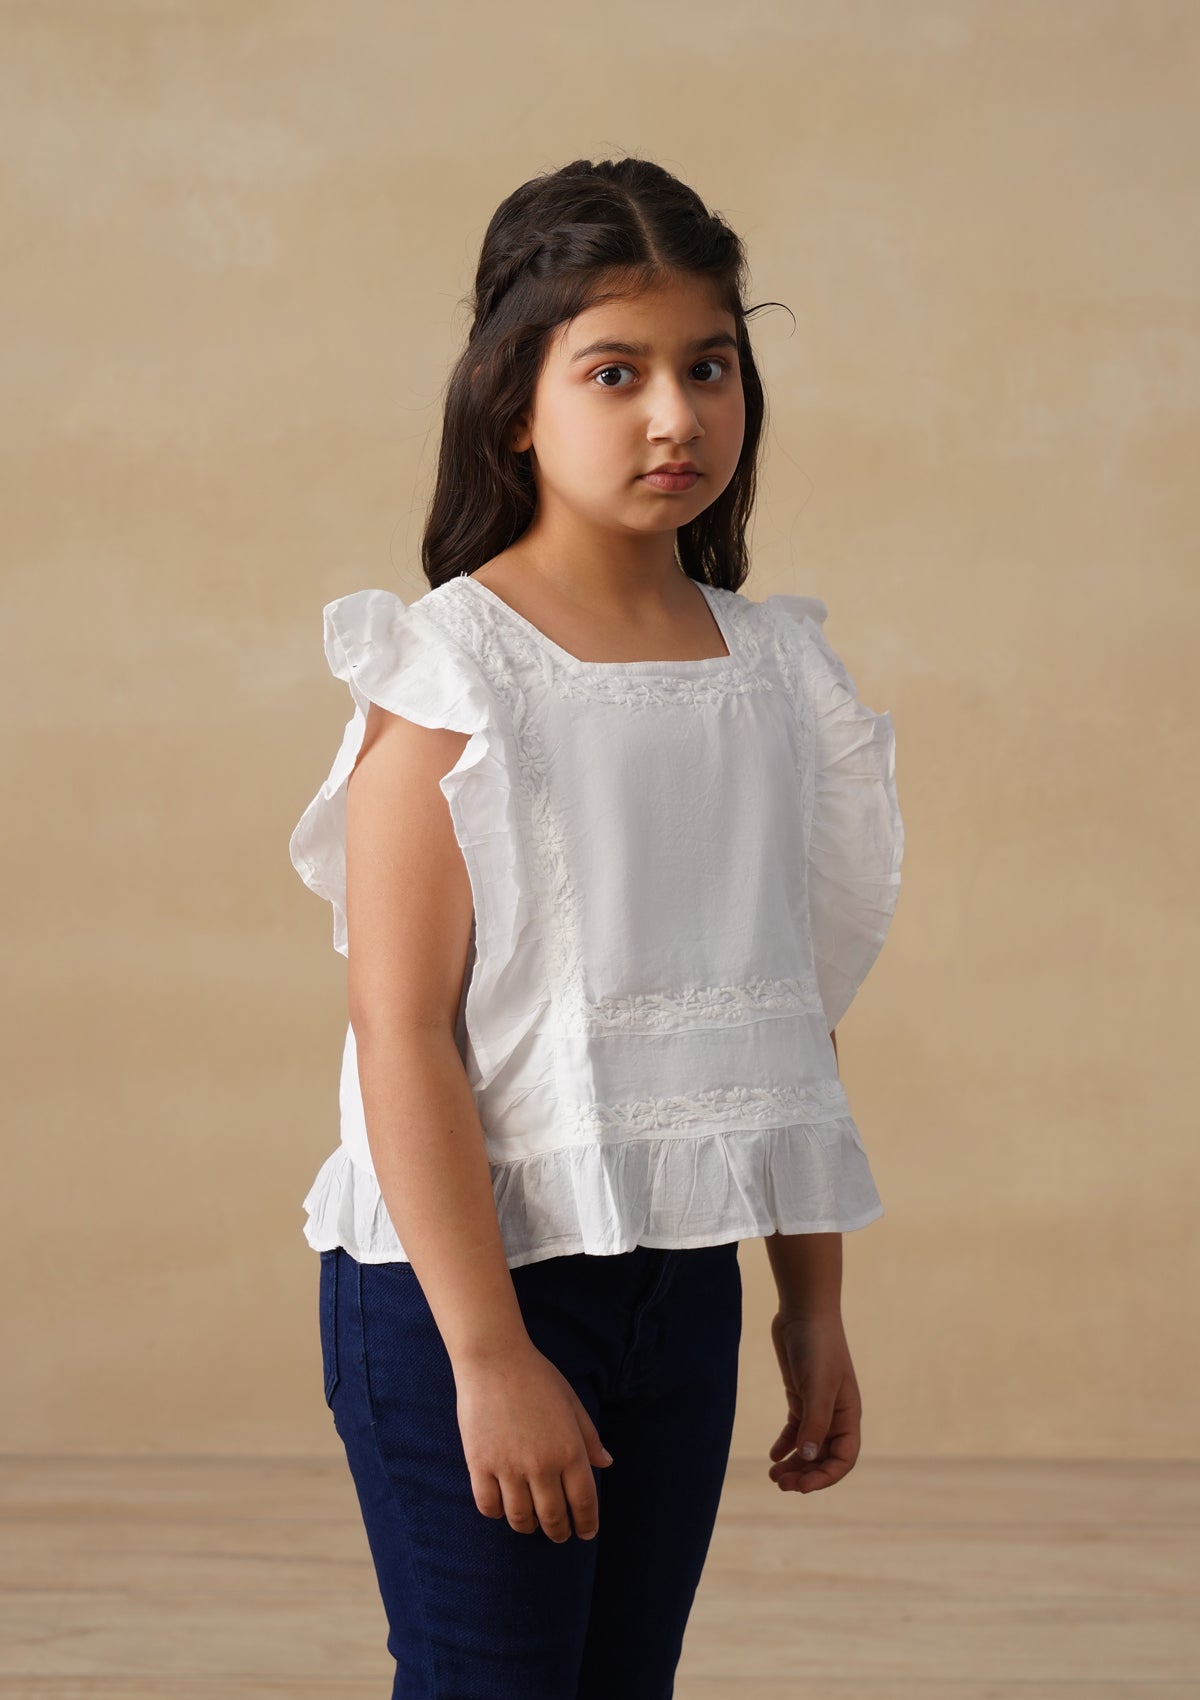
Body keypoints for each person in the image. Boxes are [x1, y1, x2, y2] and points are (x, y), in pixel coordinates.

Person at [288, 154, 904, 1700]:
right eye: (615, 373)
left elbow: (785, 1008)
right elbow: (401, 1032)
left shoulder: (778, 674)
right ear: (515, 402)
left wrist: (810, 1303)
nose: (675, 416)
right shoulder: (453, 677)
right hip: (468, 1286)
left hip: (682, 1280)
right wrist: (491, 1355)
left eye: (711, 367)